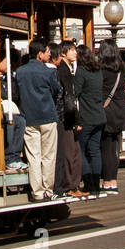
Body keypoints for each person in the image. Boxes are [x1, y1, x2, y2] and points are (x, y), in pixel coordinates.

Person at [15, 37, 61, 201]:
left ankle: (37, 192)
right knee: (48, 156)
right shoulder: (48, 72)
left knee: (33, 156)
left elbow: (17, 94)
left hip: (29, 118)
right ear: (39, 54)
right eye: (47, 52)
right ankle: (48, 190)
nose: (49, 54)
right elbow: (57, 90)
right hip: (48, 116)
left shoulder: (20, 72)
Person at [71, 45, 105, 196]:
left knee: (81, 150)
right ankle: (96, 184)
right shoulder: (98, 71)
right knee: (95, 150)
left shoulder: (81, 71)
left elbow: (75, 92)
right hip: (99, 116)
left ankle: (89, 183)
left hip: (86, 117)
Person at [99, 40, 125, 192]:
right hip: (119, 112)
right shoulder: (121, 69)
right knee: (115, 149)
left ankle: (107, 181)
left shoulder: (101, 70)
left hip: (106, 112)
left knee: (106, 148)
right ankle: (114, 181)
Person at [53, 42, 81, 196]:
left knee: (73, 152)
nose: (75, 53)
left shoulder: (66, 69)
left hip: (67, 116)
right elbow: (68, 98)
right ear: (63, 53)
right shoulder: (63, 71)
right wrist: (75, 119)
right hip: (66, 117)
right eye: (72, 50)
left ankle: (73, 185)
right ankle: (69, 186)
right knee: (70, 152)